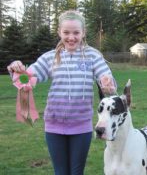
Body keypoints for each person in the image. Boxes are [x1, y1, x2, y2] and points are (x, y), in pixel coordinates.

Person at [7, 10, 117, 175]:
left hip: (82, 126)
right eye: (66, 32)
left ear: (83, 33)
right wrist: (16, 68)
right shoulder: (50, 58)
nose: (71, 37)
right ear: (59, 32)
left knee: (76, 172)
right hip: (54, 126)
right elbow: (26, 78)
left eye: (76, 33)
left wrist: (108, 84)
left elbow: (108, 80)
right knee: (60, 172)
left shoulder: (93, 56)